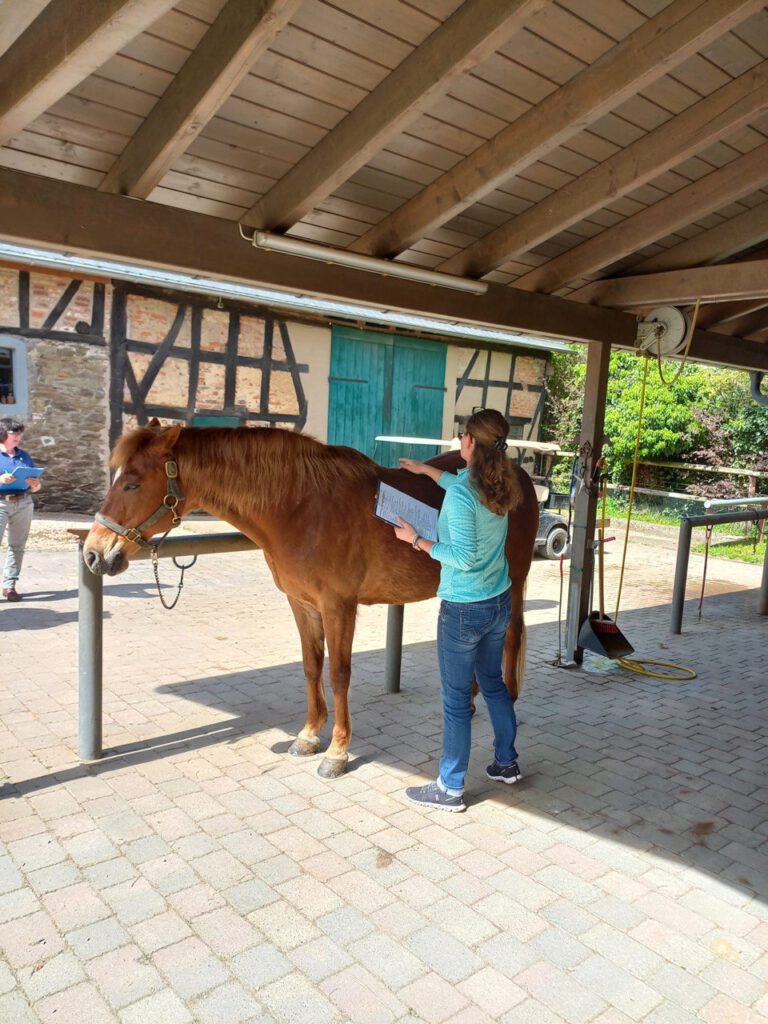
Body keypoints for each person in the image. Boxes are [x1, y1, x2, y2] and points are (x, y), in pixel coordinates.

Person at [394, 408, 522, 812]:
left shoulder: (465, 494)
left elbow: (462, 557)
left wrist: (416, 540)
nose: (460, 440)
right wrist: (425, 471)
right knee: (493, 683)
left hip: (464, 609)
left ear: (469, 442)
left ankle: (449, 788)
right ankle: (506, 763)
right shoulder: (500, 481)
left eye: (463, 435)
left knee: (455, 700)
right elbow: (460, 484)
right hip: (498, 601)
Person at [0, 418, 41, 601]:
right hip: (0, 503)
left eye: (19, 434)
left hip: (24, 503)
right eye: (14, 433)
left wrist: (35, 484)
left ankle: (9, 586)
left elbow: (36, 486)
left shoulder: (24, 456)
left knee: (17, 546)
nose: (18, 437)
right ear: (3, 434)